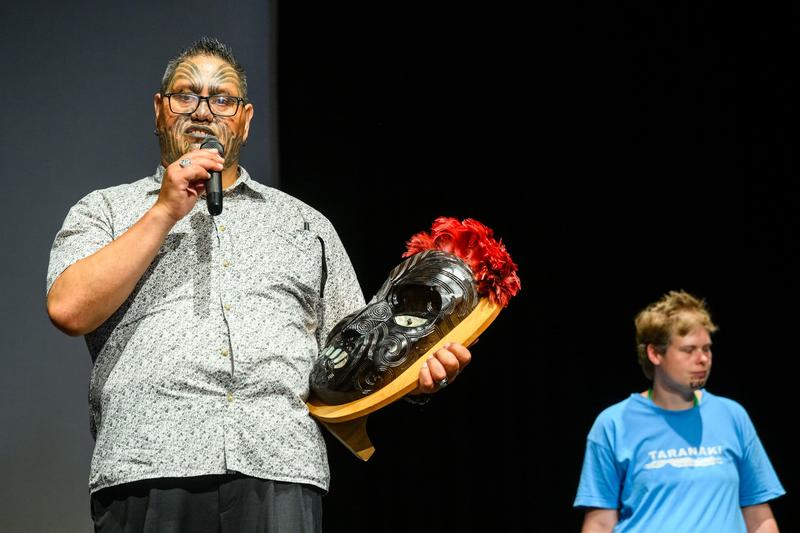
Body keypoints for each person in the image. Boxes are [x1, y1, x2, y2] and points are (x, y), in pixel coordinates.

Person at [46, 36, 471, 533]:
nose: (203, 110)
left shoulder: (305, 224)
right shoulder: (106, 210)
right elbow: (69, 309)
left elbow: (353, 359)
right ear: (160, 110)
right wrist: (164, 210)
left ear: (245, 120)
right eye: (186, 95)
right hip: (150, 466)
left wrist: (415, 376)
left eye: (222, 99)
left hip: (279, 468)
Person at [574, 290, 784, 533]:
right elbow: (600, 523)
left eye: (707, 348)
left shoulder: (732, 416)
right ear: (655, 353)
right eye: (689, 350)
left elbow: (759, 517)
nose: (702, 359)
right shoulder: (614, 423)